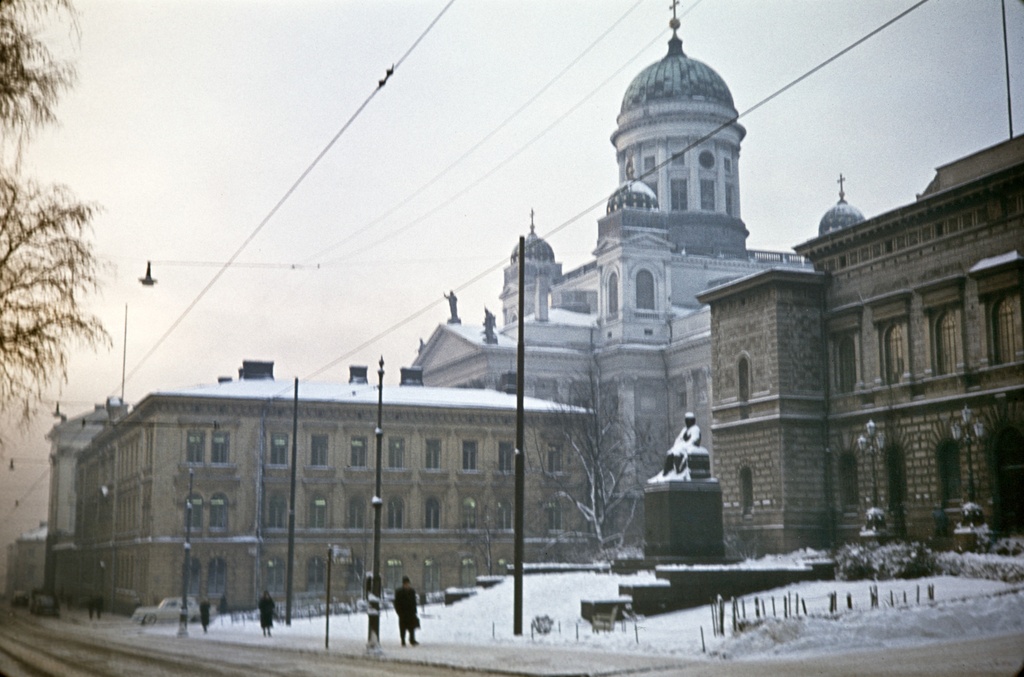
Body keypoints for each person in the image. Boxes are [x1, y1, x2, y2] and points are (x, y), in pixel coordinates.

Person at [661, 412, 701, 479]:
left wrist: (683, 445)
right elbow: (678, 439)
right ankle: (667, 472)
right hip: (681, 447)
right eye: (686, 420)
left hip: (689, 448)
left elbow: (694, 441)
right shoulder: (684, 430)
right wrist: (676, 447)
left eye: (689, 420)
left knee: (678, 455)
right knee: (670, 453)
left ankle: (679, 472)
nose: (687, 422)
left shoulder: (695, 429)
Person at [393, 576, 419, 646]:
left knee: (412, 627)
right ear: (403, 584)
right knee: (402, 628)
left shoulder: (412, 591)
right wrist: (399, 612)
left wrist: (414, 611)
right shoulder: (399, 592)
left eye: (408, 584)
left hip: (410, 613)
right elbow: (396, 603)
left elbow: (414, 602)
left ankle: (412, 639)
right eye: (406, 584)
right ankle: (403, 640)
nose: (407, 585)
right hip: (403, 613)